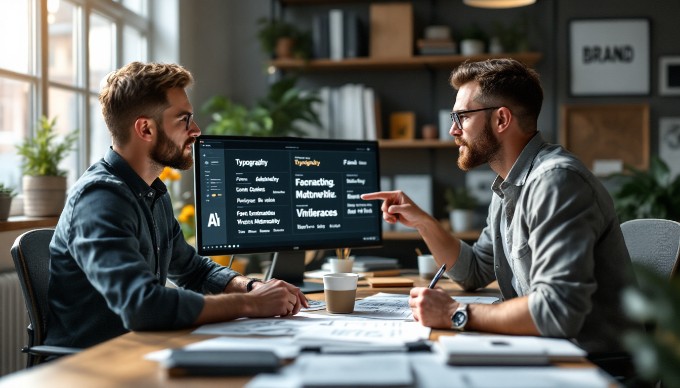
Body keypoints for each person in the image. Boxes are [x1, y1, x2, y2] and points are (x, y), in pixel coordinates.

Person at [362, 59, 640, 357]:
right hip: (546, 350)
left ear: (501, 119)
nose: (453, 130)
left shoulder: (556, 183)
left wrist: (456, 313)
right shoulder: (508, 185)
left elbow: (557, 310)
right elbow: (473, 271)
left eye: (462, 117)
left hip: (593, 366)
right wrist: (423, 222)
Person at [46, 62, 307, 349]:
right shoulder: (99, 199)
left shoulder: (152, 193)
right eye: (184, 119)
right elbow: (142, 305)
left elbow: (194, 271)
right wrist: (251, 304)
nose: (195, 130)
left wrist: (253, 287)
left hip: (144, 349)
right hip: (94, 365)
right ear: (145, 129)